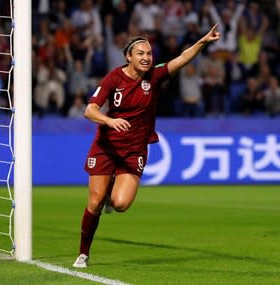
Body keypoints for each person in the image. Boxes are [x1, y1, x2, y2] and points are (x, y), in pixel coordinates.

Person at [72, 24, 221, 268]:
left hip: (134, 150)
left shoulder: (154, 75)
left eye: (149, 53)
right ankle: (83, 254)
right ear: (128, 56)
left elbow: (182, 58)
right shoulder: (114, 78)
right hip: (107, 146)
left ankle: (112, 190)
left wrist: (202, 42)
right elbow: (90, 110)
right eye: (140, 53)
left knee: (120, 204)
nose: (146, 57)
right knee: (95, 202)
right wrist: (110, 121)